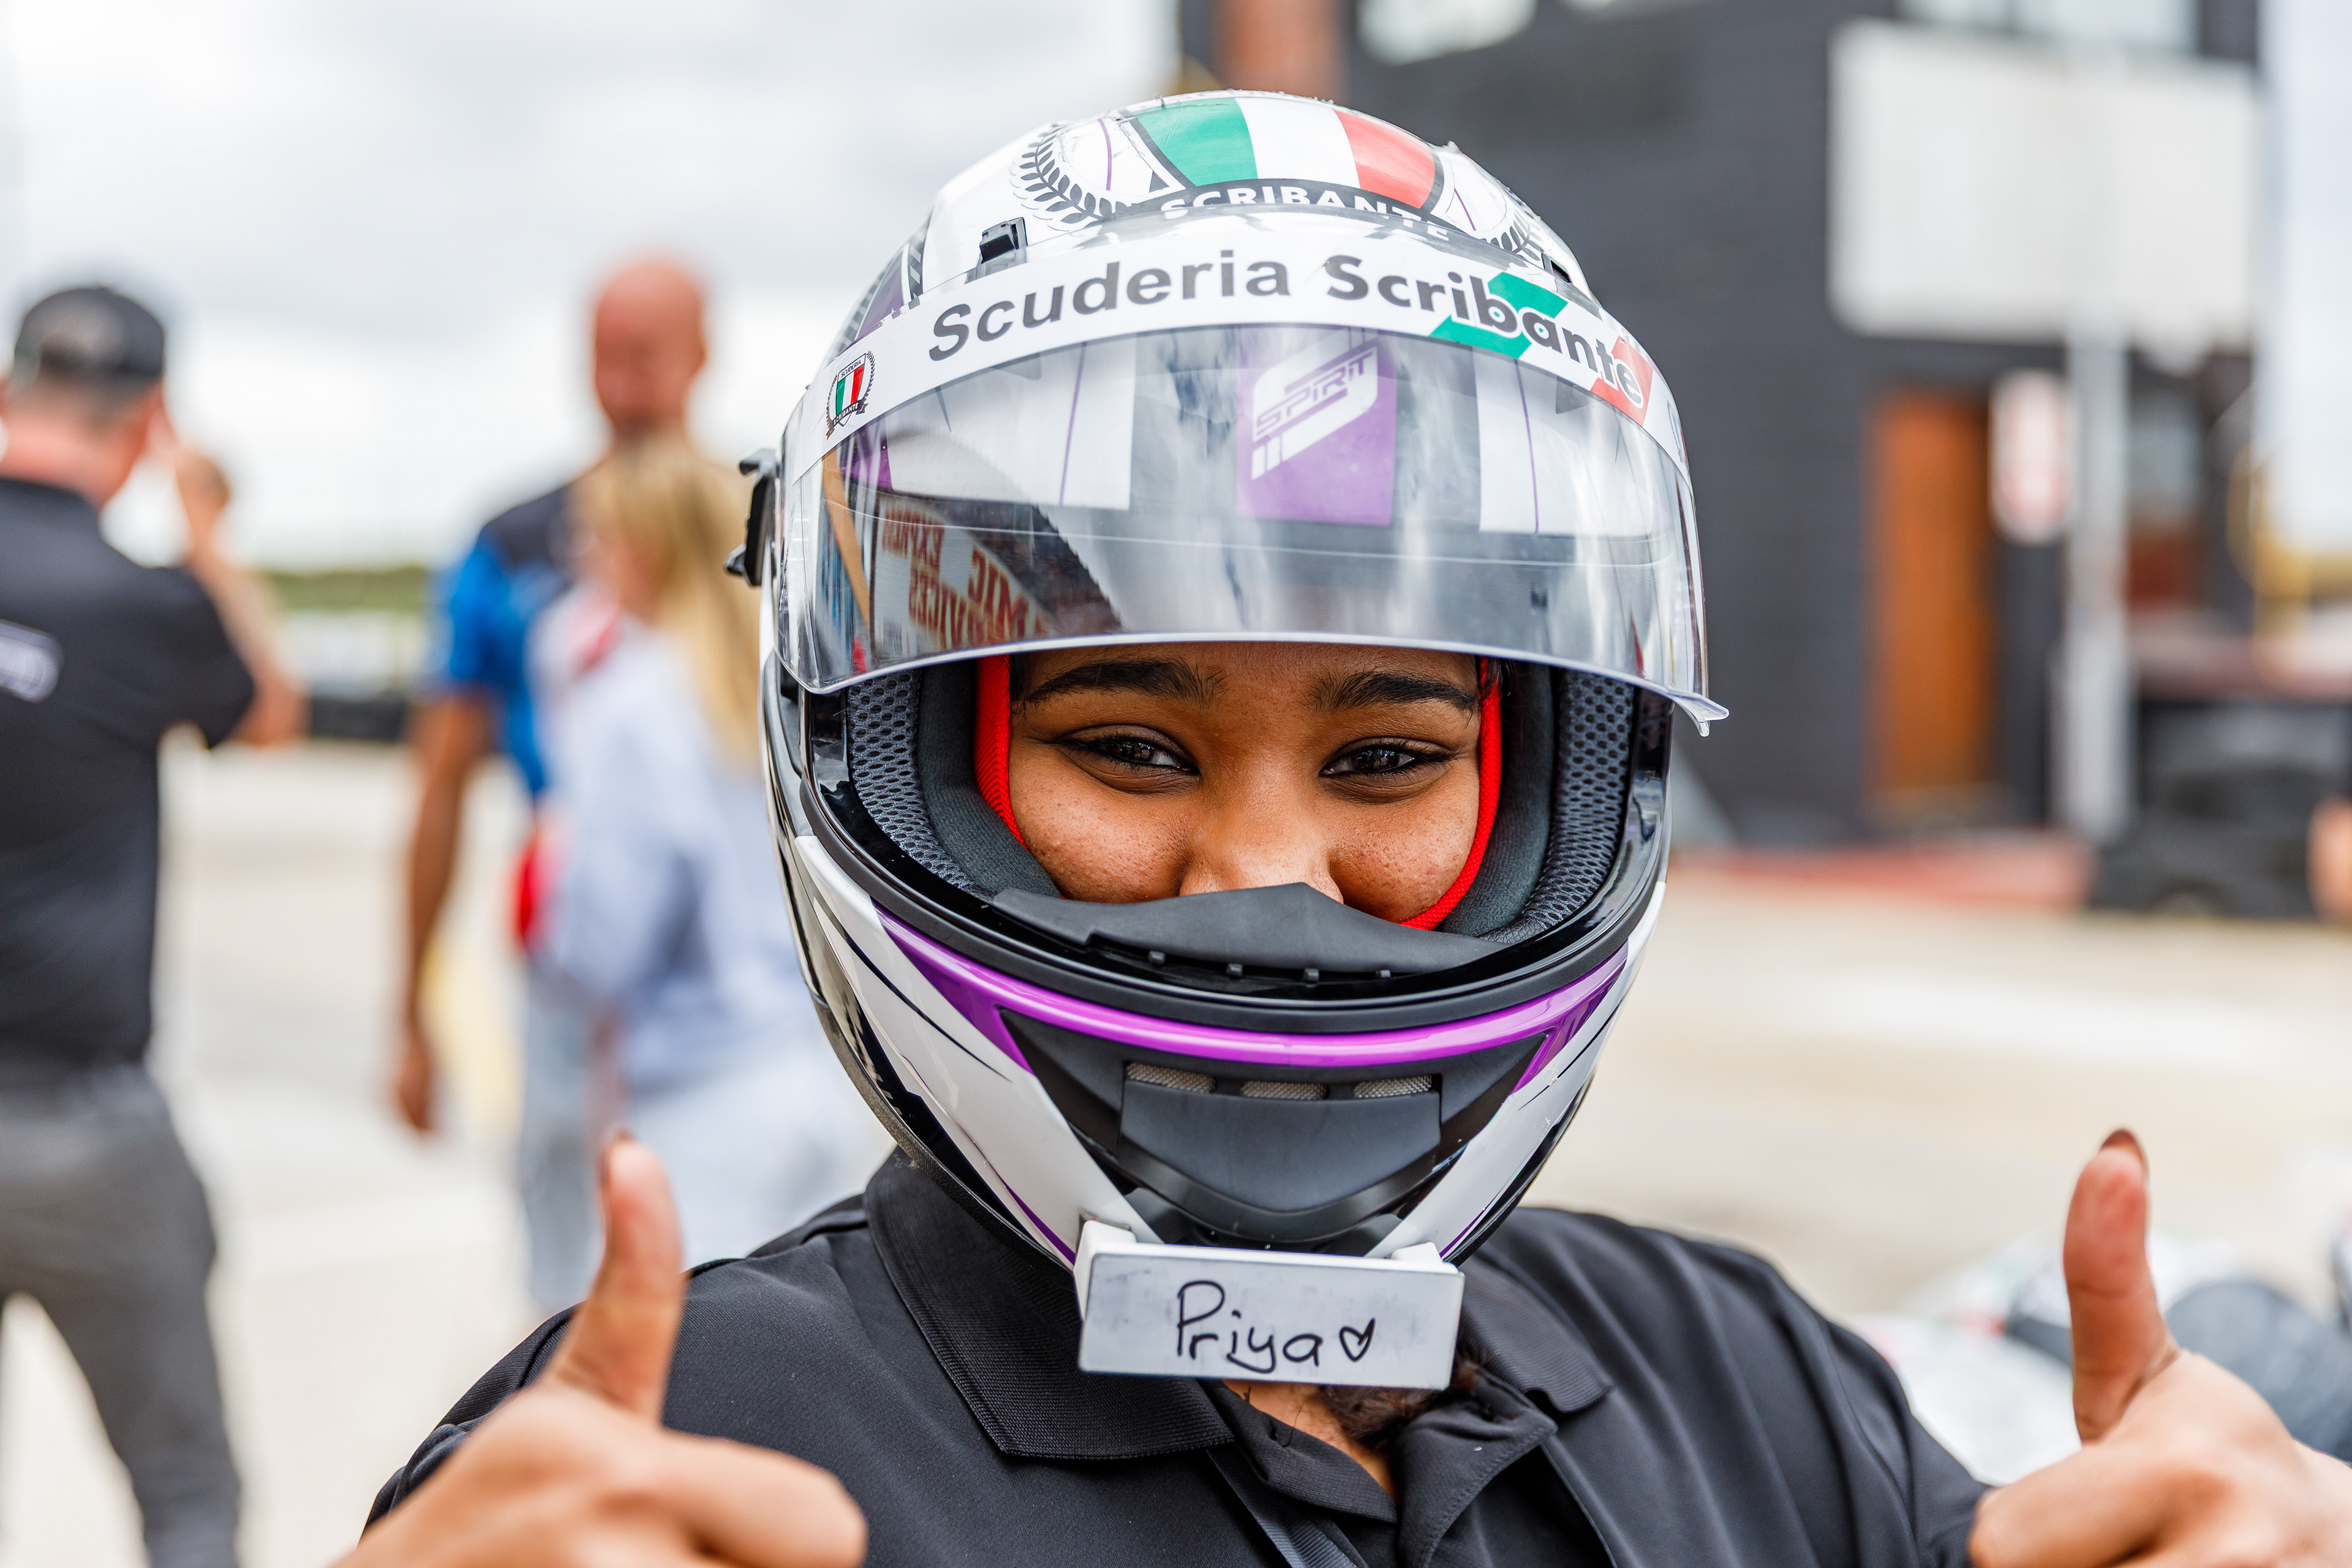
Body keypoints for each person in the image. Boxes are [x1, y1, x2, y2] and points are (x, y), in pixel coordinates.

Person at [347, 95, 2352, 1567]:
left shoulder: (1724, 1370)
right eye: (1132, 747)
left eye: (1387, 759)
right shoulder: (700, 1461)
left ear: (1553, 788)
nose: (1268, 877)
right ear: (902, 757)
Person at [0, 284, 304, 1568]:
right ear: (148, 423)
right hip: (85, 1127)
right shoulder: (147, 603)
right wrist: (206, 532)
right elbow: (272, 710)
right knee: (185, 1496)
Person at [392, 258, 713, 1312]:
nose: (623, 389)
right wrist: (410, 1010)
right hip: (571, 932)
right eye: (604, 361)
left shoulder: (764, 526)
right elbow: (439, 782)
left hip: (731, 962)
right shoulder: (514, 543)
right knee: (563, 1232)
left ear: (702, 355)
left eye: (646, 359)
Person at [531, 437, 876, 1265]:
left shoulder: (633, 704)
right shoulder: (787, 691)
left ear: (642, 551)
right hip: (815, 1078)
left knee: (670, 1343)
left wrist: (550, 888)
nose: (587, 562)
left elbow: (597, 951)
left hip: (701, 1109)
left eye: (598, 540)